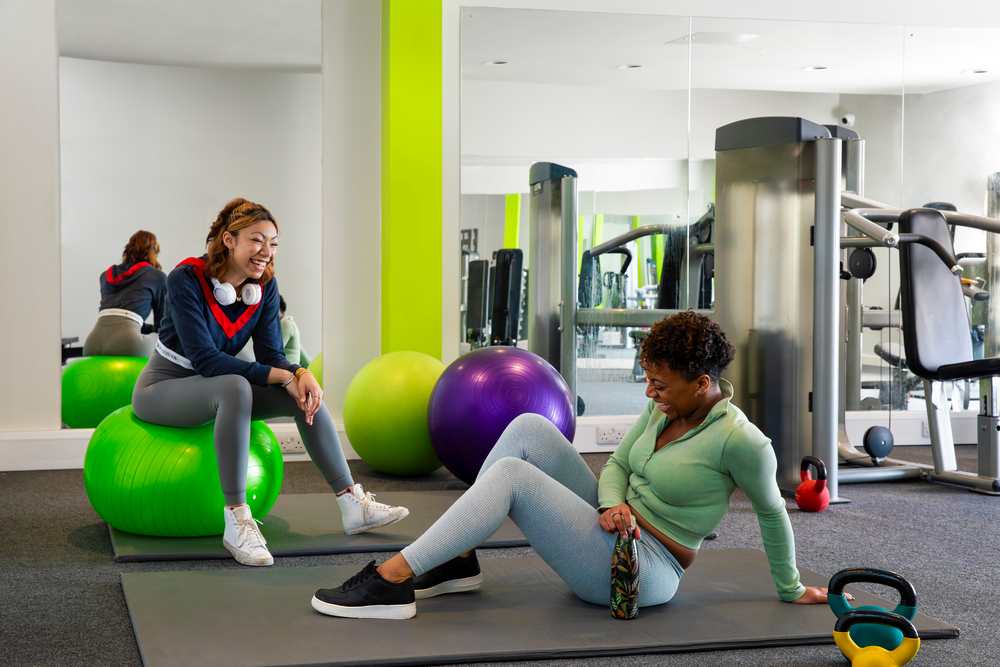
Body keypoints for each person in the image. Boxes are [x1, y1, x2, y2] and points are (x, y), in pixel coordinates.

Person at [310, 311, 829, 619]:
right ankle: (458, 556)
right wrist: (610, 504)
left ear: (702, 383)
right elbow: (619, 464)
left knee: (513, 478)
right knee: (529, 427)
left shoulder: (744, 443)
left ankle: (393, 579)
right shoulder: (664, 403)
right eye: (647, 381)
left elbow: (771, 514)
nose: (651, 394)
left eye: (661, 385)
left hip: (646, 568)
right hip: (613, 522)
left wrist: (790, 587)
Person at [132, 198, 408, 567]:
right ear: (228, 240)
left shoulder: (263, 287)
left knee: (301, 394)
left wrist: (300, 374)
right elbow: (206, 360)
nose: (266, 251)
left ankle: (352, 503)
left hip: (217, 387)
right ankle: (237, 518)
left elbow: (271, 355)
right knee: (234, 386)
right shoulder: (185, 279)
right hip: (163, 387)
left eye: (274, 243)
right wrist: (282, 375)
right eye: (257, 240)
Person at [83, 230, 167, 358]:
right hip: (129, 344)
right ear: (153, 253)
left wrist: (146, 328)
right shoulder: (157, 276)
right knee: (166, 341)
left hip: (93, 343)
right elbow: (162, 324)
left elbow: (120, 313)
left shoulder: (105, 276)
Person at [278, 295, 312, 367]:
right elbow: (307, 363)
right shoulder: (290, 324)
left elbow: (272, 352)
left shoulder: (285, 324)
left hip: (285, 376)